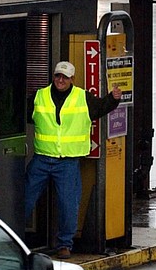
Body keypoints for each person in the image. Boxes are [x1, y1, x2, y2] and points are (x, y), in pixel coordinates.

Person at [25, 61, 122, 259]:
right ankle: (14, 240)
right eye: (58, 76)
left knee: (68, 205)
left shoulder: (82, 97)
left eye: (65, 77)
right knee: (24, 200)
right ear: (53, 76)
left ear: (72, 79)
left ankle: (64, 245)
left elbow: (102, 107)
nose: (61, 80)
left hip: (67, 162)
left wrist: (113, 99)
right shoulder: (39, 96)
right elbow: (23, 114)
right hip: (42, 159)